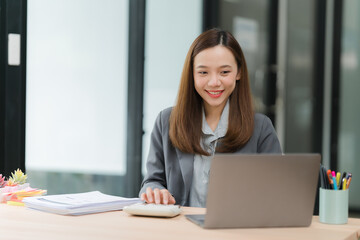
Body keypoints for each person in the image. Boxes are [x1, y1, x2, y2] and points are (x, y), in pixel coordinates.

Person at [139, 28, 282, 207]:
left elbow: (275, 193)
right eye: (203, 72)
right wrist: (155, 192)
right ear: (191, 74)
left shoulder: (261, 128)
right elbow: (152, 182)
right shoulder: (166, 121)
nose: (214, 82)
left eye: (224, 72)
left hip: (235, 232)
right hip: (179, 231)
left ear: (238, 73)